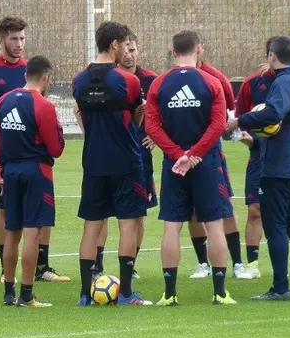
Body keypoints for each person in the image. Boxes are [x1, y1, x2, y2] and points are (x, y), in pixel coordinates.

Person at [0, 17, 69, 283]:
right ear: (1, 40)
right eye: (14, 39)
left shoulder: (32, 69)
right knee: (6, 212)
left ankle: (42, 267)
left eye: (23, 38)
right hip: (7, 157)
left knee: (41, 213)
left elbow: (42, 111)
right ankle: (8, 271)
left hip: (33, 155)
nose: (19, 44)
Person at [145, 30, 236, 306]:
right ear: (200, 50)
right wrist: (194, 155)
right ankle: (220, 293)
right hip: (206, 164)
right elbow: (219, 125)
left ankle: (169, 294)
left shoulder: (159, 84)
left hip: (174, 167)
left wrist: (178, 155)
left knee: (172, 227)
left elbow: (152, 127)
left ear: (173, 52)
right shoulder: (211, 82)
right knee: (214, 226)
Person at [227, 36, 290, 300]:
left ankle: (279, 287)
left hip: (279, 165)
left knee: (276, 225)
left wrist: (239, 121)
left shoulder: (284, 82)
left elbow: (274, 113)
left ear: (271, 56)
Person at [72, 21, 151, 306]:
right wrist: (139, 114)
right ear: (115, 45)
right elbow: (134, 120)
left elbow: (83, 117)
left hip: (93, 162)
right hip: (126, 162)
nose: (127, 50)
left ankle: (84, 294)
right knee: (128, 225)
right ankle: (127, 293)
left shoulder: (79, 81)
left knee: (91, 227)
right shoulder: (128, 81)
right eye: (125, 43)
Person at [0, 56, 64, 307]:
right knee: (33, 232)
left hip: (10, 172)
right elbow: (56, 148)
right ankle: (27, 295)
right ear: (46, 77)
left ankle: (9, 292)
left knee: (12, 232)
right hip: (36, 171)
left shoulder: (4, 100)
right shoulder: (44, 106)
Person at [92, 31, 157, 280]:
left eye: (133, 49)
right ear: (117, 49)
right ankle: (97, 265)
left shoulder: (151, 80)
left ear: (139, 50)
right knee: (101, 213)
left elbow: (163, 111)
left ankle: (131, 265)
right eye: (125, 49)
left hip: (139, 154)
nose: (129, 54)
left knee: (138, 213)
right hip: (109, 152)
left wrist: (155, 134)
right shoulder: (108, 78)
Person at [193, 57, 255, 280]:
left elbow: (229, 113)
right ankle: (202, 264)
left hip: (211, 152)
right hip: (185, 151)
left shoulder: (215, 78)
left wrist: (235, 133)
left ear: (199, 50)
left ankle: (238, 263)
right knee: (193, 210)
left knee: (224, 204)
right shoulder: (174, 79)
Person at [232, 38, 278, 277]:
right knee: (254, 209)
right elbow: (239, 121)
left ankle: (286, 267)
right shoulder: (252, 83)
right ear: (268, 54)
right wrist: (247, 138)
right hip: (258, 156)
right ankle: (252, 266)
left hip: (286, 155)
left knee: (286, 211)